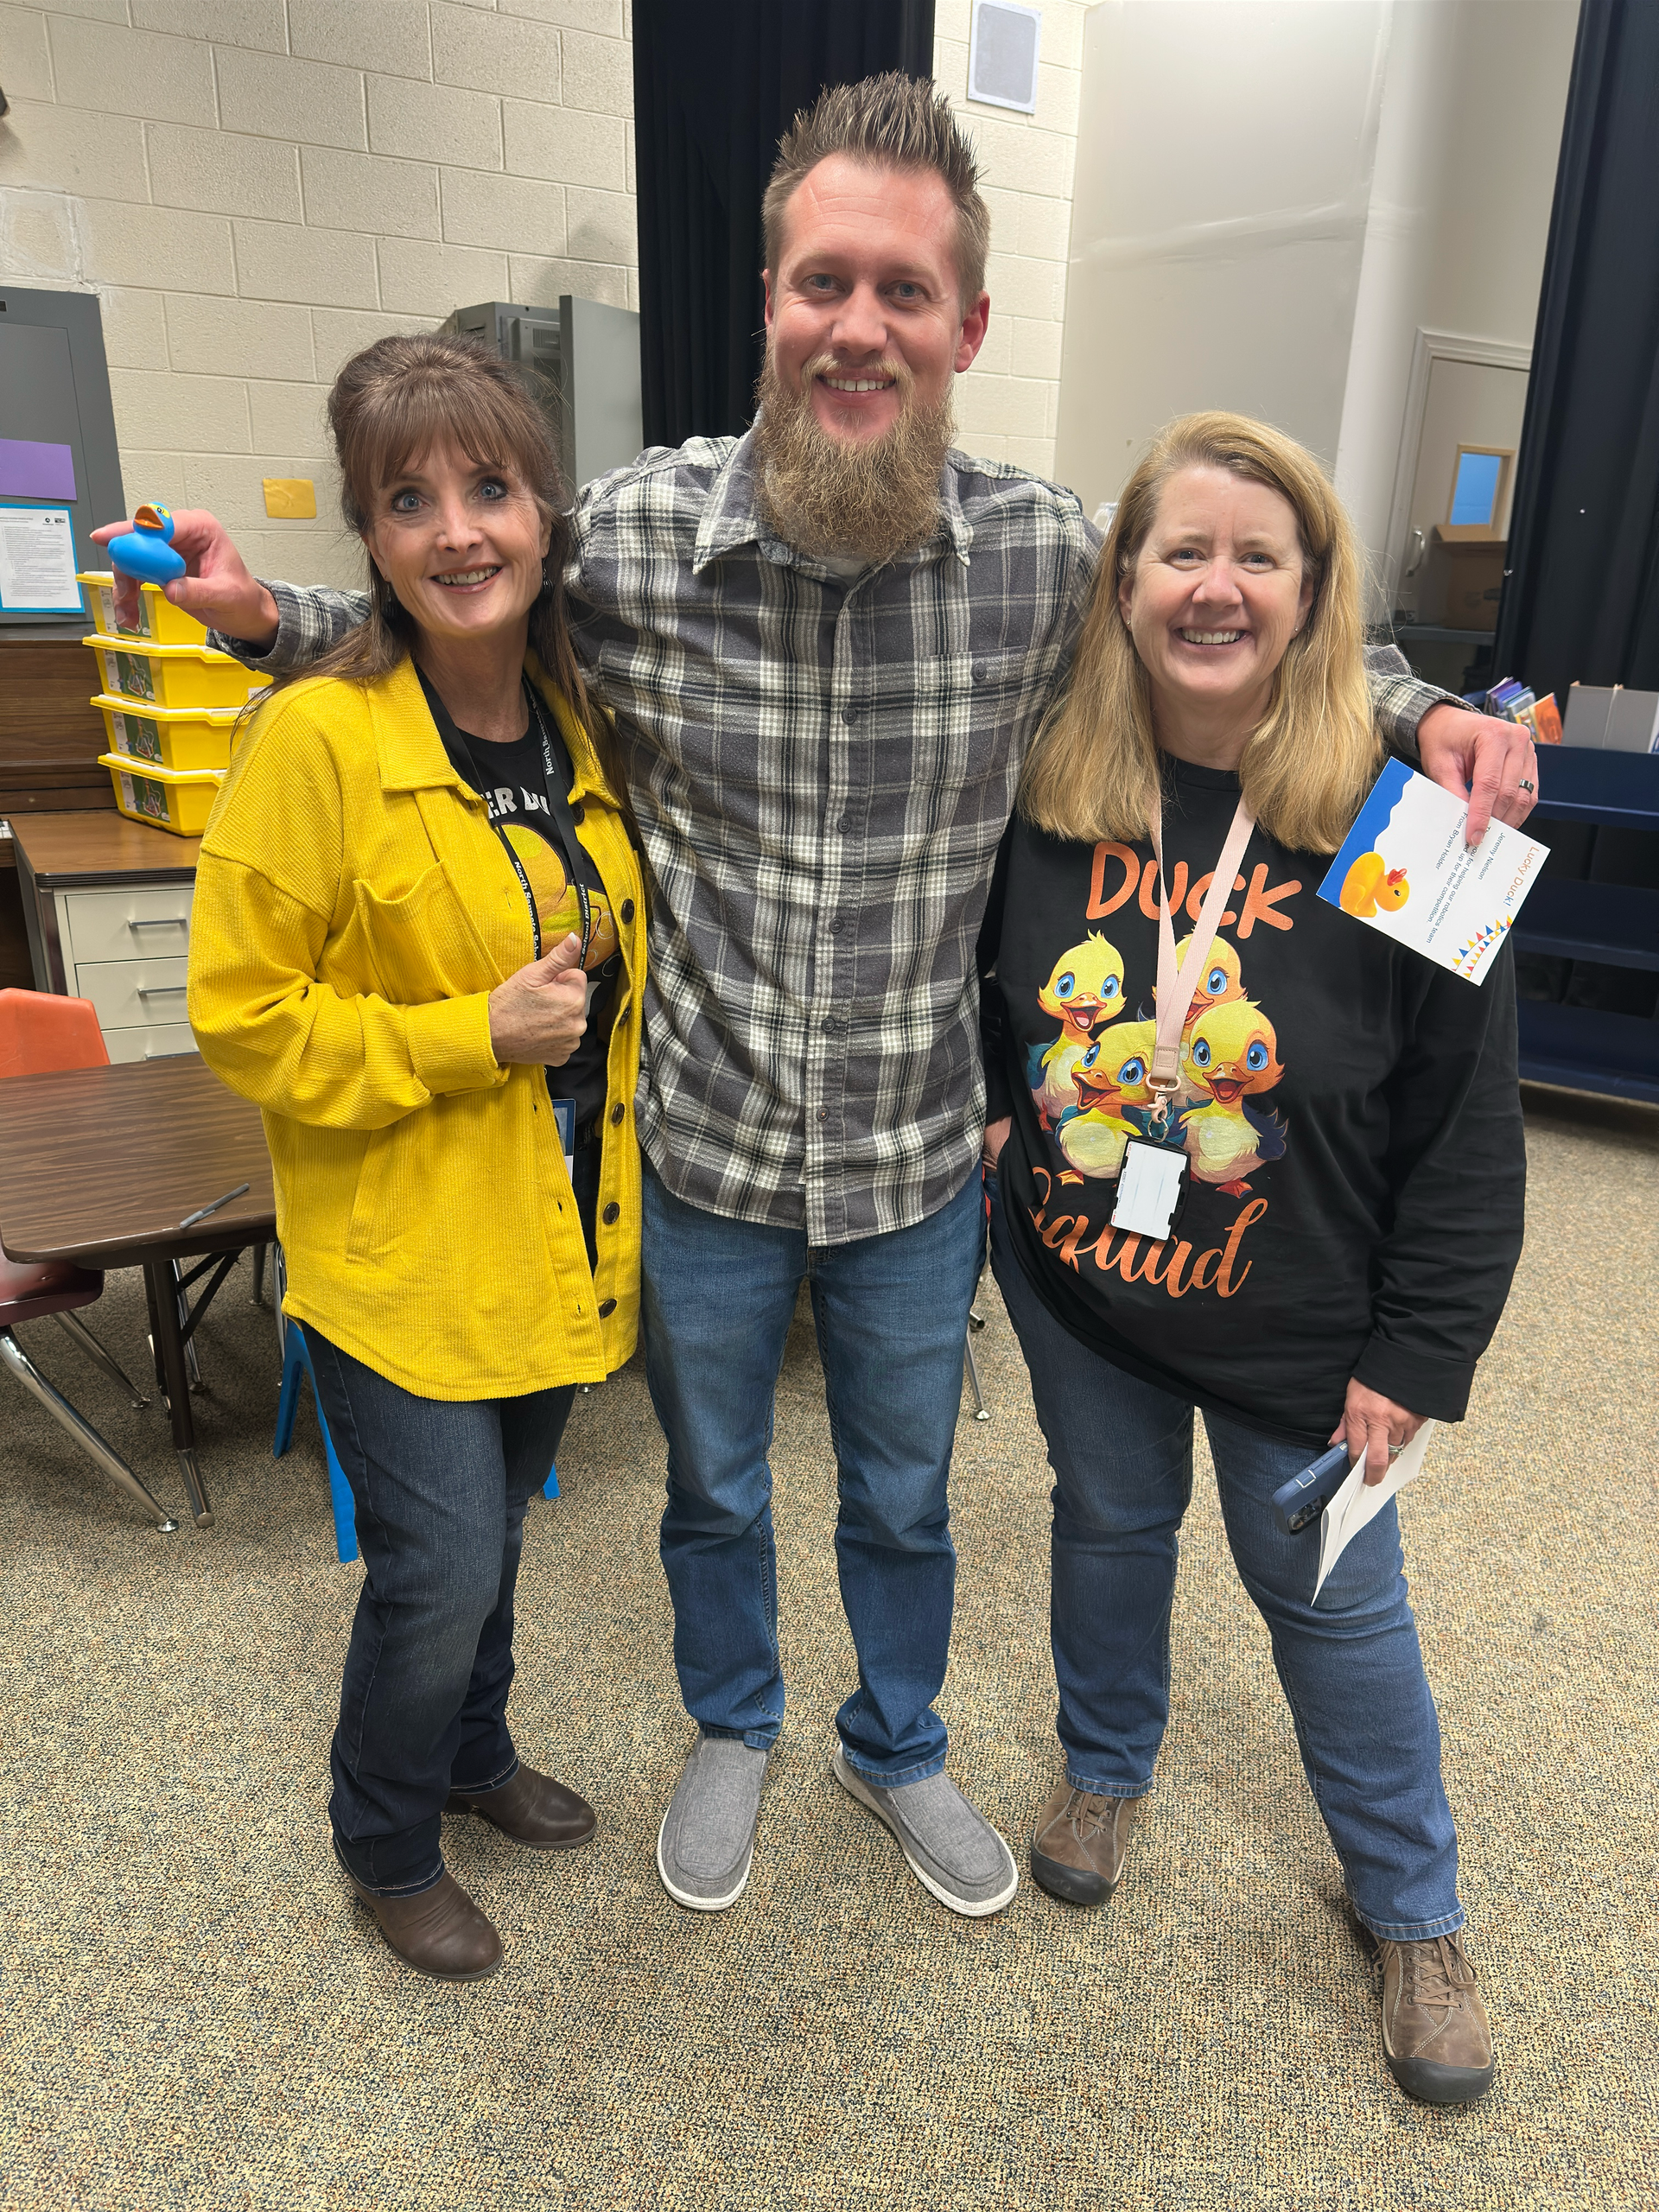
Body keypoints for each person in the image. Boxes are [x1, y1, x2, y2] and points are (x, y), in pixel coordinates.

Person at [108, 76, 1538, 1924]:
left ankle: (898, 1736)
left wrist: (1430, 713)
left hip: (918, 1168)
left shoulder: (1042, 558)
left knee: (904, 1495)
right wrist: (265, 622)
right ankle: (735, 1717)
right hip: (699, 1149)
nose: (859, 324)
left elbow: (1258, 585)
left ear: (968, 329)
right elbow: (448, 594)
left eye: (904, 291)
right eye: (822, 282)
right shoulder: (626, 538)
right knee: (711, 1492)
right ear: (770, 301)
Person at [978, 412, 1523, 2102]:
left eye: (1257, 555)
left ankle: (1413, 1908)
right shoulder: (1054, 775)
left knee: (1336, 1606)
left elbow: (1469, 1125)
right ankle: (1103, 1764)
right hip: (1083, 1285)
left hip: (1311, 1321)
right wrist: (1004, 1115)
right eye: (1181, 550)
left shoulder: (1408, 811)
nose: (1215, 586)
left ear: (1311, 589)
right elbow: (982, 971)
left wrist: (1419, 1357)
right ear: (1123, 578)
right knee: (1108, 1520)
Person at [185, 334, 647, 1982]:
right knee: (437, 1561)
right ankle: (383, 1836)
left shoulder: (574, 720)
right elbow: (244, 1021)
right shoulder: (315, 741)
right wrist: (468, 1035)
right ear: (371, 541)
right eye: (409, 500)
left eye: (490, 488)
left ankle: (469, 1754)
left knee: (499, 1532)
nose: (459, 530)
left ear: (543, 513)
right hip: (397, 1263)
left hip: (549, 1242)